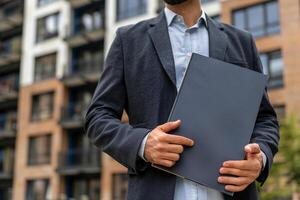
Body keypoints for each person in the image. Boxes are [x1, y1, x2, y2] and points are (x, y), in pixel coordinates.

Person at [84, 0, 280, 199]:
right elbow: (98, 117)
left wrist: (260, 159)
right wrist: (143, 143)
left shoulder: (241, 41)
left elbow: (265, 119)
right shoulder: (128, 40)